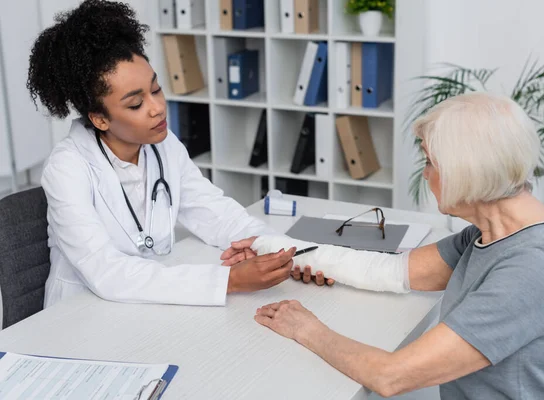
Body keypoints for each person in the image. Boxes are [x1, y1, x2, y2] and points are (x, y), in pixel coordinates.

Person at [254, 93, 544, 399]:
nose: (426, 175)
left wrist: (305, 327)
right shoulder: (494, 231)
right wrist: (273, 249)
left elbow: (391, 376)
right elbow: (393, 271)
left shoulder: (533, 270)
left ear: (467, 171)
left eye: (430, 162)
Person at [26, 0, 327, 308]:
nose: (157, 108)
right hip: (80, 317)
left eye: (155, 90)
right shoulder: (67, 167)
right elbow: (106, 271)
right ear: (99, 118)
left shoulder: (163, 143)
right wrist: (230, 281)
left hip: (147, 305)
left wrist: (279, 251)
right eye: (135, 104)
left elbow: (215, 212)